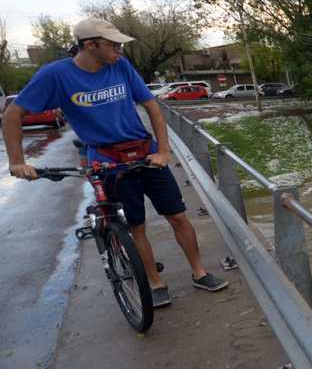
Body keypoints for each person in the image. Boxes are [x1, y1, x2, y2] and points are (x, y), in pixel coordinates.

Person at [2, 18, 228, 308]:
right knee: (136, 227)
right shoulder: (56, 75)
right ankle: (156, 283)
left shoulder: (119, 66)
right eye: (113, 44)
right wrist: (18, 161)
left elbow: (151, 106)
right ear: (90, 45)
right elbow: (12, 115)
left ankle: (200, 271)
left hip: (145, 152)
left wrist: (164, 150)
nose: (119, 50)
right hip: (108, 160)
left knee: (178, 216)